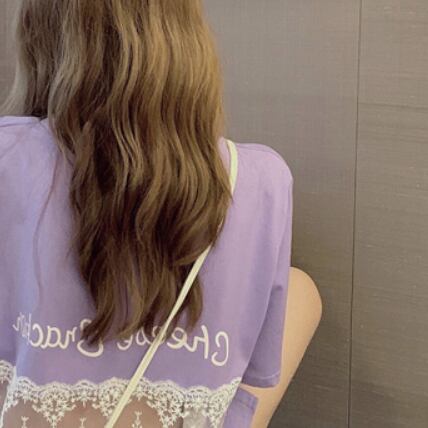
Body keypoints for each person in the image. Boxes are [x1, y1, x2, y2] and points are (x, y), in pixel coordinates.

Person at [0, 1, 321, 427]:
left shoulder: (10, 158)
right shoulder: (264, 182)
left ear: (39, 36)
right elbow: (251, 379)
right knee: (303, 292)